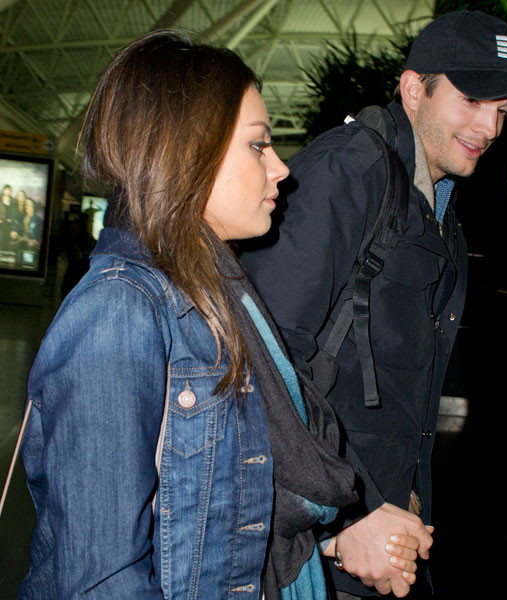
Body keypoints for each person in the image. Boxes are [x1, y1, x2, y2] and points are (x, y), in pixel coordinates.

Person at [17, 30, 365, 600]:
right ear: (187, 150)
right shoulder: (121, 313)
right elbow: (101, 582)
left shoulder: (215, 296)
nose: (281, 169)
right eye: (259, 145)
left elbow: (218, 500)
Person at [242, 10, 507, 598]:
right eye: (472, 100)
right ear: (413, 89)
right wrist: (347, 519)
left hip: (388, 533)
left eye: (502, 111)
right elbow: (261, 362)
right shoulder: (345, 175)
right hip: (323, 539)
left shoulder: (437, 204)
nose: (488, 128)